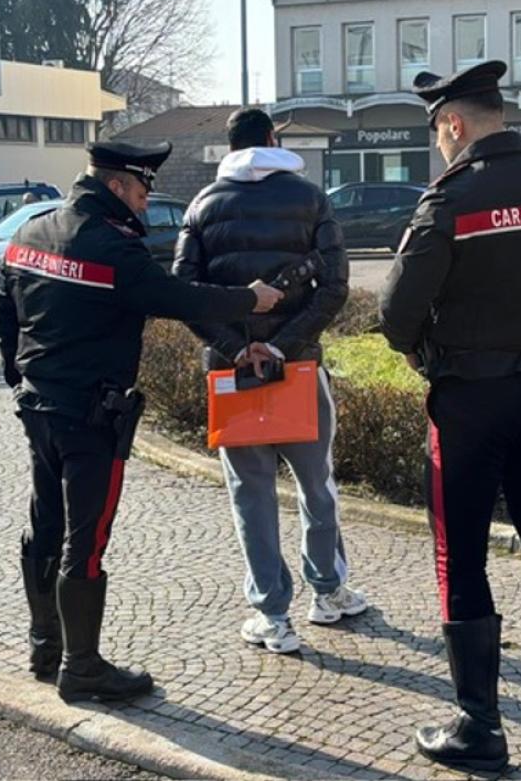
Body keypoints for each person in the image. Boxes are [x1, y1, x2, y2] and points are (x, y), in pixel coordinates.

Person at [0, 140, 283, 705]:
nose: (147, 204)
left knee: (45, 523)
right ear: (120, 185)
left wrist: (20, 377)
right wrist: (249, 298)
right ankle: (82, 668)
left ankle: (44, 645)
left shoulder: (29, 233)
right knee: (88, 538)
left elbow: (5, 313)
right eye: (145, 192)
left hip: (39, 408)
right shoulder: (111, 248)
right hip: (90, 416)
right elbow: (178, 297)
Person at [379, 61, 521, 773]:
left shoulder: (449, 201)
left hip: (469, 397)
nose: (440, 149)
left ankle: (479, 725)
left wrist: (431, 349)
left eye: (439, 136)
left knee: (461, 552)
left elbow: (393, 315)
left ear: (452, 123)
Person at [172, 108, 366, 655]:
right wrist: (283, 345)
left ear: (229, 147)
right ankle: (327, 593)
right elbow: (334, 287)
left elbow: (183, 292)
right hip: (299, 367)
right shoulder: (309, 197)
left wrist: (238, 348)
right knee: (317, 485)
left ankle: (272, 616)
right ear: (274, 139)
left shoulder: (203, 205)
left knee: (250, 495)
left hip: (232, 377)